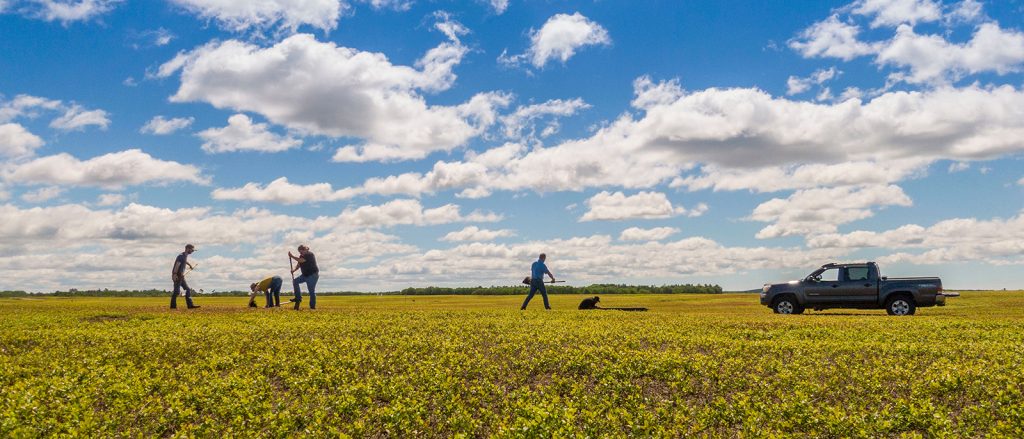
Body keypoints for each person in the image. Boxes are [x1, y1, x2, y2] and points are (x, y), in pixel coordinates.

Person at [289, 245, 319, 310]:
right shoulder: (302, 255)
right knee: (295, 281)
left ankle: (312, 307)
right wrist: (294, 270)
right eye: (299, 252)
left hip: (312, 275)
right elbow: (299, 264)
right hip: (304, 275)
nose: (300, 253)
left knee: (311, 291)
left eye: (301, 252)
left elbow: (301, 260)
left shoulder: (309, 254)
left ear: (305, 250)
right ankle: (298, 298)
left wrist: (292, 256)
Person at [171, 244, 200, 310]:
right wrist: (175, 274)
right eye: (192, 250)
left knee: (188, 289)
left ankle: (190, 305)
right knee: (176, 292)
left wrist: (190, 265)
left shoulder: (184, 256)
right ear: (187, 249)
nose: (192, 251)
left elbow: (184, 261)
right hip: (177, 276)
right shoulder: (181, 256)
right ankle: (173, 307)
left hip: (181, 276)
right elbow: (177, 265)